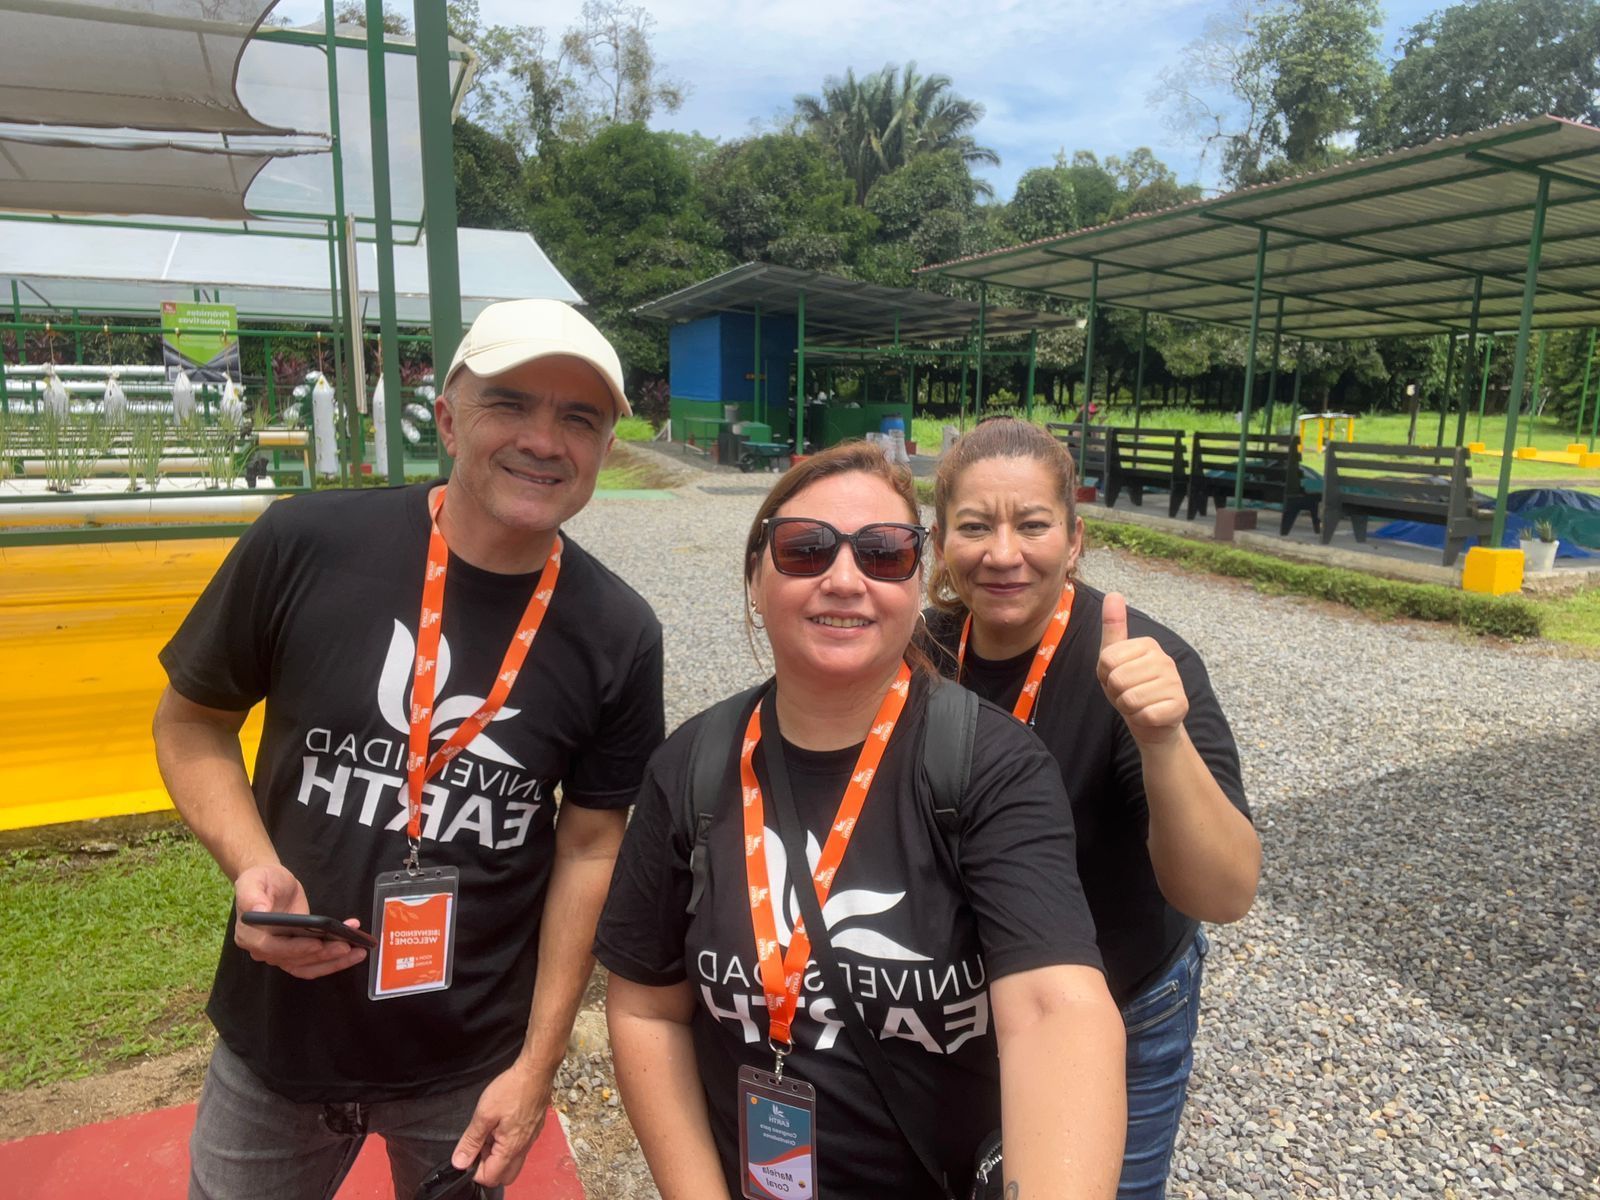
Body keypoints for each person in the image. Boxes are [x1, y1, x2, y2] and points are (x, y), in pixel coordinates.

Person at [153, 299, 665, 1199]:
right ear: (448, 419)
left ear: (605, 448)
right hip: (280, 1033)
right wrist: (252, 865)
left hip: (468, 1061)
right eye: (510, 403)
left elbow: (591, 845)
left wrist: (537, 1064)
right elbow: (192, 723)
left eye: (579, 418)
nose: (543, 440)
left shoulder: (618, 632)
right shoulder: (304, 543)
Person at [595, 441, 1127, 1200]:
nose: (845, 579)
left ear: (917, 584)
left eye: (883, 553)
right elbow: (647, 1005)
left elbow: (1054, 1010)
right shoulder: (691, 765)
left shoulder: (991, 766)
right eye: (804, 548)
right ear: (756, 579)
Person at [924, 418, 1261, 1200]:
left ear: (1074, 541)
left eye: (1032, 525)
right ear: (940, 544)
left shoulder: (1142, 663)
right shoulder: (924, 654)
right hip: (959, 1007)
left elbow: (1224, 892)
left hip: (1119, 1003)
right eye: (974, 527)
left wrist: (1161, 737)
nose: (1002, 553)